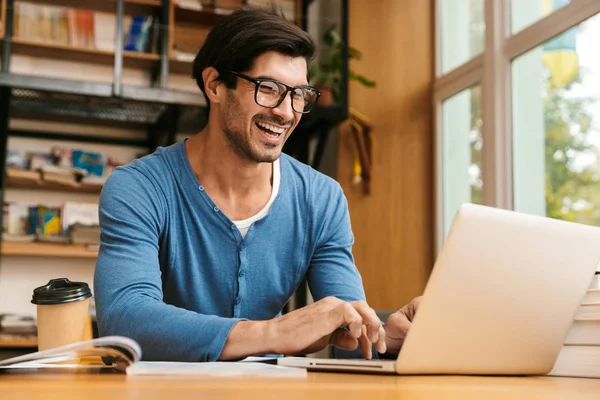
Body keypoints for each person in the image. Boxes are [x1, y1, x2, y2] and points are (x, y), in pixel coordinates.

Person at [94, 7, 421, 362]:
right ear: (215, 85)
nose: (286, 112)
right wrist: (274, 332)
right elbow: (125, 318)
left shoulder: (321, 198)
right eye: (269, 89)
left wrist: (388, 334)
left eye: (299, 94)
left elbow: (344, 319)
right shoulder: (139, 187)